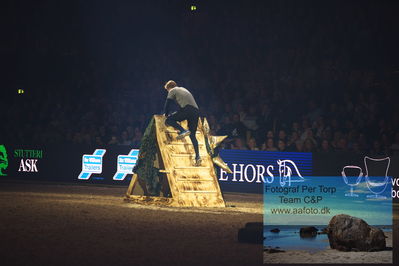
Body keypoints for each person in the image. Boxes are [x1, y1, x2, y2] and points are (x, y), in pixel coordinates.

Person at [163, 80, 201, 166]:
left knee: (169, 120)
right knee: (192, 135)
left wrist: (166, 114)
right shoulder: (183, 89)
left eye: (167, 90)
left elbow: (168, 103)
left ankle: (183, 130)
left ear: (169, 88)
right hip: (195, 111)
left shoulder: (172, 90)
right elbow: (183, 107)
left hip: (187, 110)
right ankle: (198, 156)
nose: (168, 92)